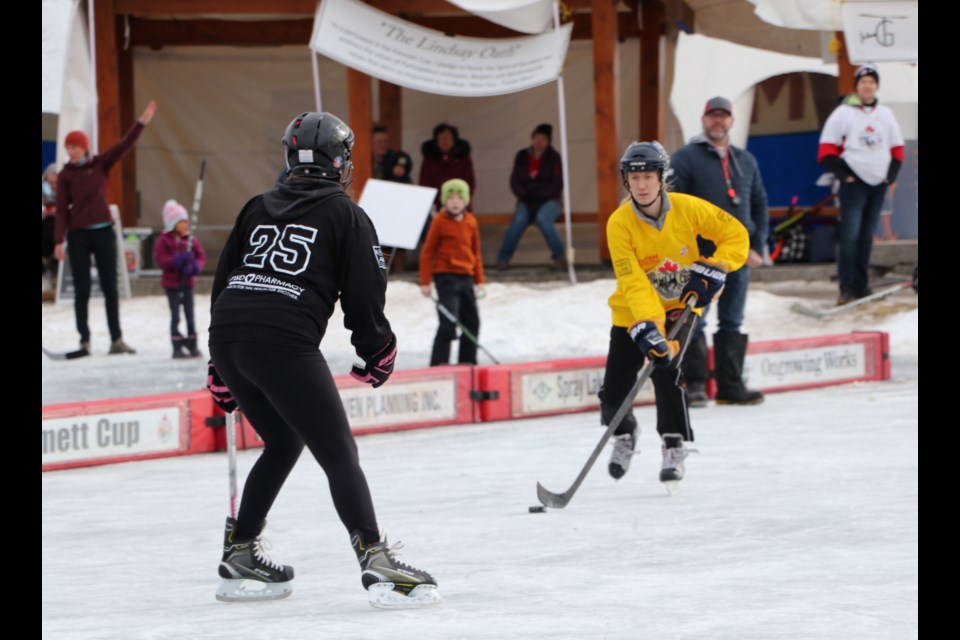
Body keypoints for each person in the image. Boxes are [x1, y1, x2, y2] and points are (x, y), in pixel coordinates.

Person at [206, 111, 439, 608]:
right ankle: (375, 558)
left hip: (230, 337)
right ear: (342, 162)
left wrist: (216, 364)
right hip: (283, 342)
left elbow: (224, 280)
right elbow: (364, 295)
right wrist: (377, 350)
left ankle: (240, 549)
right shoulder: (346, 214)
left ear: (291, 157)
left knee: (283, 441)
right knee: (337, 454)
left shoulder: (255, 205)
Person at [602, 141, 748, 489]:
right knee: (613, 390)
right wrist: (650, 328)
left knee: (667, 371)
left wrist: (718, 266)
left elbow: (735, 234)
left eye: (648, 176)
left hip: (682, 306)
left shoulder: (687, 208)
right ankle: (623, 433)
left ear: (661, 177)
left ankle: (673, 443)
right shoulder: (618, 224)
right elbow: (633, 282)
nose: (641, 184)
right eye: (634, 177)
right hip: (633, 313)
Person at [669, 96, 769, 406]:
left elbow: (759, 204)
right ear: (703, 119)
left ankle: (730, 385)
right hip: (701, 258)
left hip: (738, 258)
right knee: (694, 315)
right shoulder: (685, 158)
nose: (718, 121)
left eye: (723, 116)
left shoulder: (746, 160)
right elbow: (674, 206)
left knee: (732, 320)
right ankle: (695, 383)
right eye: (712, 115)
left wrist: (757, 246)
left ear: (732, 121)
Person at [54, 100, 157, 356]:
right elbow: (61, 210)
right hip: (78, 236)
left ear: (84, 147)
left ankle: (116, 339)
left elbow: (124, 147)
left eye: (75, 146)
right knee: (82, 289)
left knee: (110, 286)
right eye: (68, 147)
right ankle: (84, 340)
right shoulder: (65, 175)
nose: (71, 151)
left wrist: (141, 123)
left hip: (103, 233)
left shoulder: (100, 164)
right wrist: (59, 241)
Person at [818, 64, 905, 305]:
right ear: (857, 86)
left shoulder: (885, 114)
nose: (867, 86)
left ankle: (862, 285)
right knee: (850, 235)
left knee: (866, 237)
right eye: (863, 82)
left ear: (876, 86)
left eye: (871, 82)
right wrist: (845, 175)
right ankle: (847, 287)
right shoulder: (844, 113)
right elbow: (826, 148)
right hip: (854, 182)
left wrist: (890, 175)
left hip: (878, 182)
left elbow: (897, 148)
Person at [419, 179, 485, 366]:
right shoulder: (439, 221)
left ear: (465, 200)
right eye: (451, 198)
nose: (455, 202)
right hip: (445, 277)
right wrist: (425, 281)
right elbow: (428, 252)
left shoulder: (471, 222)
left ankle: (467, 362)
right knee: (449, 321)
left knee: (472, 322)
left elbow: (476, 252)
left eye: (459, 198)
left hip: (466, 277)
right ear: (444, 201)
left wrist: (480, 280)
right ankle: (439, 364)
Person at [496, 123, 565, 270]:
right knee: (519, 220)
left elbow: (558, 184)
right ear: (532, 138)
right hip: (526, 200)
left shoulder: (554, 157)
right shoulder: (522, 156)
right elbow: (514, 181)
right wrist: (527, 195)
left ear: (548, 141)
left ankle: (559, 256)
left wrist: (539, 194)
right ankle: (503, 258)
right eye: (536, 137)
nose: (539, 142)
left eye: (543, 139)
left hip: (550, 200)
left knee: (543, 218)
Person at [153, 200, 206, 358]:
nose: (184, 225)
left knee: (190, 314)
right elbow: (161, 260)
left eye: (185, 221)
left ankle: (192, 344)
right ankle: (177, 345)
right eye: (180, 222)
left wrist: (194, 266)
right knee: (175, 315)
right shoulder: (163, 241)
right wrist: (175, 261)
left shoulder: (191, 241)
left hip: (187, 283)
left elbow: (200, 256)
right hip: (173, 285)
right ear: (172, 223)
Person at [419, 122, 476, 214]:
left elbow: (469, 183)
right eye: (441, 138)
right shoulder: (429, 159)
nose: (444, 141)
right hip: (435, 207)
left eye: (447, 137)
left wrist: (460, 201)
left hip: (460, 205)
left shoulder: (463, 158)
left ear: (454, 140)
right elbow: (425, 182)